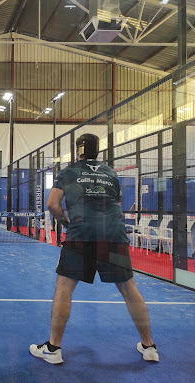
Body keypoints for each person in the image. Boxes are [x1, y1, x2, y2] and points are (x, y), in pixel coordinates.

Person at [30, 133, 159, 364]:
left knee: (64, 288)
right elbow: (116, 205)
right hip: (114, 236)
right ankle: (149, 346)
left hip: (82, 235)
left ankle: (53, 349)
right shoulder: (110, 173)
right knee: (129, 290)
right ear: (97, 151)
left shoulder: (68, 172)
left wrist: (65, 222)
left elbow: (52, 204)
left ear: (78, 150)